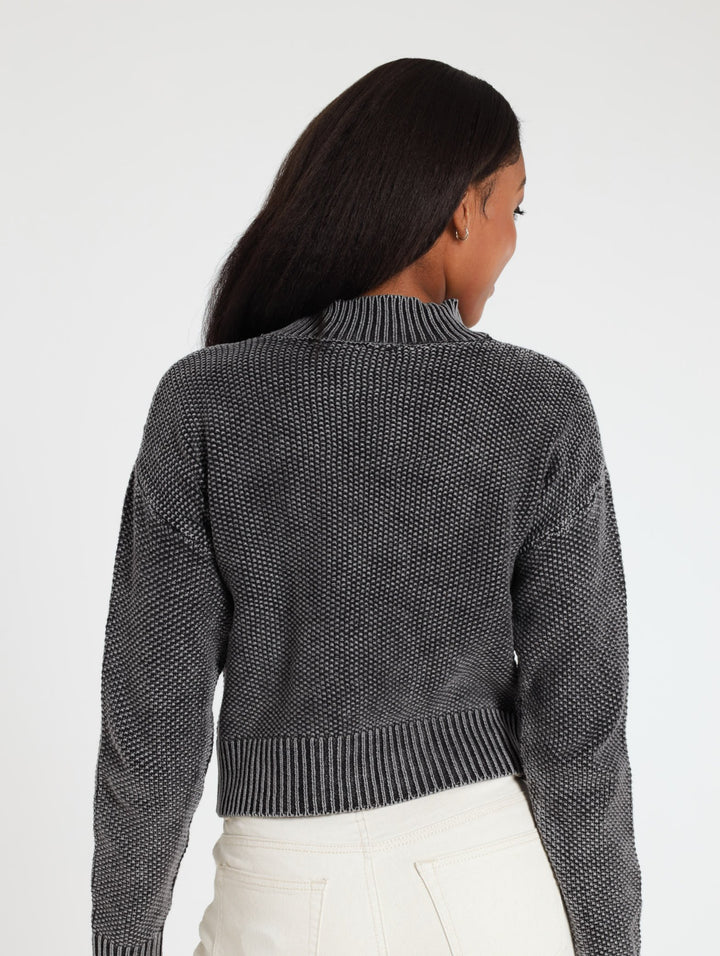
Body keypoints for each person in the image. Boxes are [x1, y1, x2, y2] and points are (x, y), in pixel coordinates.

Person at [91, 57, 642, 955]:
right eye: (514, 209)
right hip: (483, 882)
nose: (512, 241)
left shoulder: (206, 401)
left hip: (280, 891)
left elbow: (150, 730)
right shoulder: (540, 404)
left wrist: (121, 941)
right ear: (461, 211)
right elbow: (581, 737)